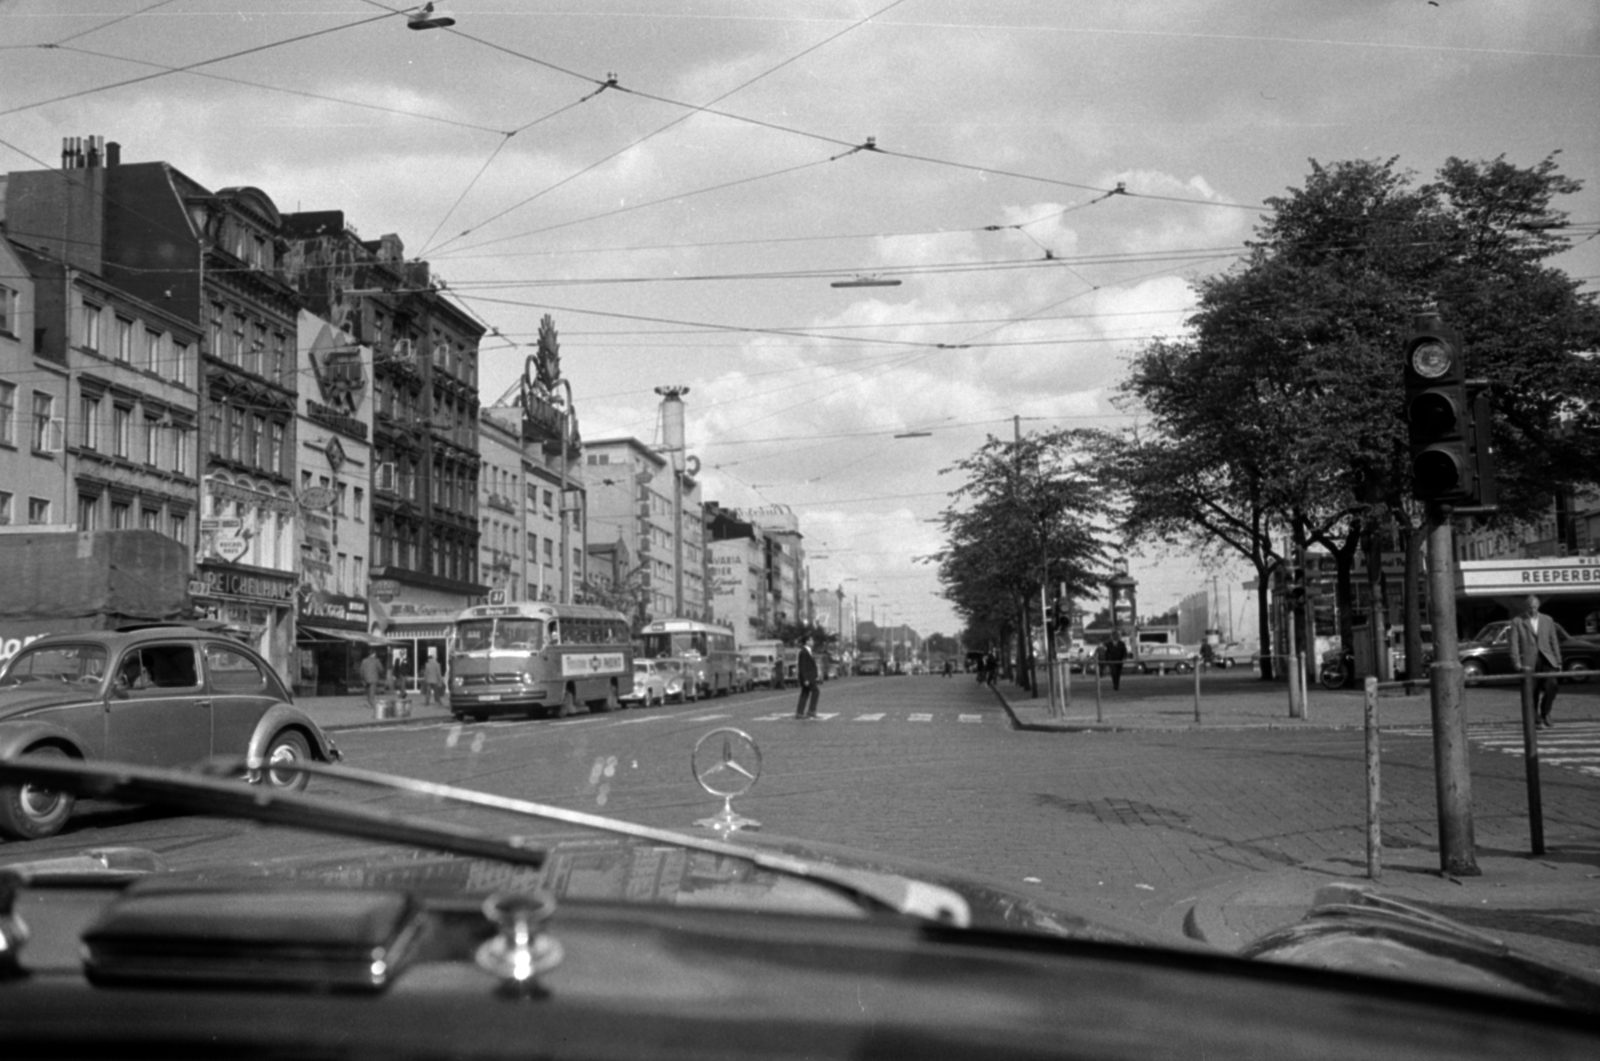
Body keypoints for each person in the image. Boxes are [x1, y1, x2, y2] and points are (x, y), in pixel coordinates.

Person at [1510, 594, 1562, 727]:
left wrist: (1558, 660)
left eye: (1534, 607)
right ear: (1525, 607)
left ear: (1538, 606)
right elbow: (1514, 643)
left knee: (1552, 686)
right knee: (1532, 691)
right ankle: (1536, 719)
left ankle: (1546, 712)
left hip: (1547, 658)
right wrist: (1516, 661)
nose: (1532, 610)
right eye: (1529, 608)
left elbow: (1553, 640)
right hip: (1528, 660)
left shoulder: (1547, 620)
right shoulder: (1517, 621)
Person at [794, 635, 820, 719]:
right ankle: (811, 711)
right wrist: (805, 679)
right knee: (816, 691)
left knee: (804, 694)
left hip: (809, 677)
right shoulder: (804, 652)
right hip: (808, 678)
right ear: (807, 642)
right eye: (811, 640)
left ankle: (799, 713)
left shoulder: (807, 651)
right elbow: (802, 666)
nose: (813, 642)